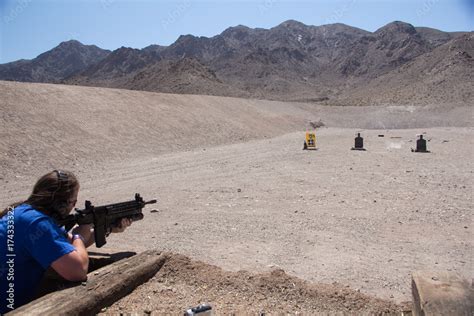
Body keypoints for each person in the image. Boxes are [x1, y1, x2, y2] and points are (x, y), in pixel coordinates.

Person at [0, 170, 131, 313]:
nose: (74, 206)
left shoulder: (25, 213)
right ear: (61, 203)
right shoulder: (36, 224)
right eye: (73, 202)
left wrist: (109, 228)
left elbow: (66, 248)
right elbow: (78, 270)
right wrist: (78, 237)